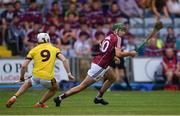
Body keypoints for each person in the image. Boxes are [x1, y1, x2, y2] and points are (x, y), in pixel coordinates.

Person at [53, 23, 137, 107]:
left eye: (124, 30)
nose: (124, 32)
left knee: (113, 77)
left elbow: (106, 51)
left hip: (100, 62)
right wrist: (130, 53)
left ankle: (98, 98)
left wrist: (114, 58)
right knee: (82, 86)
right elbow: (118, 53)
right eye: (122, 30)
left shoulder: (109, 37)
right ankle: (60, 98)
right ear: (116, 30)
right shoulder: (117, 38)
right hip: (100, 66)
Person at [6, 33, 74, 108]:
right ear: (48, 40)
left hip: (36, 76)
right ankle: (40, 103)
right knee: (55, 88)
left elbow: (23, 66)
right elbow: (64, 60)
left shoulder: (33, 50)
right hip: (47, 77)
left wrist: (21, 77)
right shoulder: (54, 49)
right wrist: (69, 73)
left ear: (38, 41)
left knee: (28, 83)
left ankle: (14, 97)